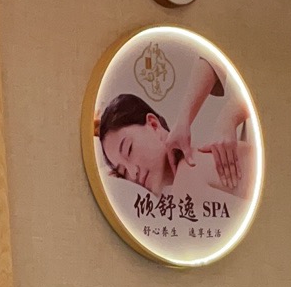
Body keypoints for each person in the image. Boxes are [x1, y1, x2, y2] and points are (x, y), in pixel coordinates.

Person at [98, 55, 254, 205]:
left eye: (129, 149)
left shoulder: (187, 180)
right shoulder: (188, 177)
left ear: (154, 125)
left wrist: (228, 118)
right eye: (123, 172)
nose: (133, 173)